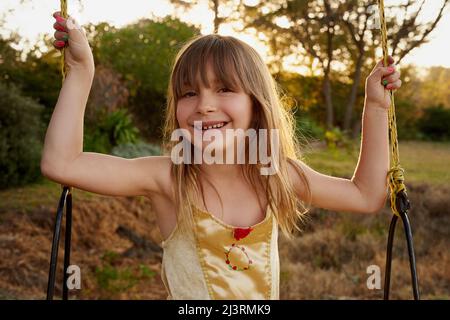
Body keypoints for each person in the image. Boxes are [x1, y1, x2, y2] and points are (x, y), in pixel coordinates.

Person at [41, 12, 402, 300]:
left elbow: (366, 195)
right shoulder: (168, 178)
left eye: (224, 89)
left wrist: (375, 106)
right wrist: (80, 71)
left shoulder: (276, 174)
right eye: (188, 93)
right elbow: (62, 164)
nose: (205, 106)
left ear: (255, 103)